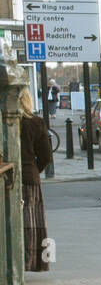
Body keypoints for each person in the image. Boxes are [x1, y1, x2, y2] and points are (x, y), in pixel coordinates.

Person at [17, 87, 53, 272]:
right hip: (29, 177)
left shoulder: (7, 122)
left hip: (7, 174)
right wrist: (34, 170)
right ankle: (30, 261)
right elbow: (46, 156)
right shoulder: (36, 123)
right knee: (31, 222)